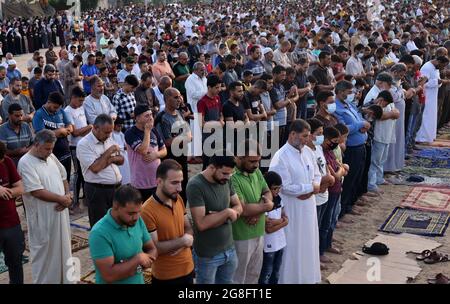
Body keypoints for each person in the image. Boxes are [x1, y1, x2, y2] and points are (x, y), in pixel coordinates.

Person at [269, 119, 322, 284]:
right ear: (293, 134)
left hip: (308, 207)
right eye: (304, 136)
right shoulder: (281, 157)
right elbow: (285, 187)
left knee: (308, 243)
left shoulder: (308, 152)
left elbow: (317, 175)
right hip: (292, 208)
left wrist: (314, 187)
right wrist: (309, 188)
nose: (307, 139)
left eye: (308, 136)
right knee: (292, 245)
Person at [18, 130, 73, 284]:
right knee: (45, 255)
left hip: (60, 214)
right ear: (36, 145)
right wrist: (61, 199)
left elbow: (63, 176)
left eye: (51, 148)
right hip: (42, 218)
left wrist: (67, 196)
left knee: (64, 248)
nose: (50, 152)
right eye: (47, 149)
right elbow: (36, 191)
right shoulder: (25, 162)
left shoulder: (50, 156)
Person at [186, 153, 243, 284]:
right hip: (207, 255)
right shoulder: (195, 185)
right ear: (212, 167)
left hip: (229, 249)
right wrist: (227, 213)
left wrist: (218, 216)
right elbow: (201, 223)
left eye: (230, 174)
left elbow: (238, 206)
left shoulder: (226, 180)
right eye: (224, 173)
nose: (228, 178)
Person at [88, 185, 158, 284]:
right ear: (116, 206)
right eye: (131, 213)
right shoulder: (99, 233)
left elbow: (152, 249)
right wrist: (137, 260)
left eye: (139, 212)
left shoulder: (137, 221)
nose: (136, 217)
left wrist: (140, 264)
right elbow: (109, 275)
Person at [141, 159, 195, 284]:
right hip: (166, 275)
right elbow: (154, 248)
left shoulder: (177, 199)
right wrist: (183, 241)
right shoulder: (147, 211)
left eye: (181, 182)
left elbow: (188, 228)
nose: (180, 188)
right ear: (159, 181)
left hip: (188, 268)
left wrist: (179, 243)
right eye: (174, 183)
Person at [231, 140, 274, 284]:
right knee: (238, 278)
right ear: (239, 157)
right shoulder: (232, 177)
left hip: (259, 232)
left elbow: (267, 192)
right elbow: (242, 209)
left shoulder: (256, 172)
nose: (256, 165)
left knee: (253, 276)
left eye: (258, 161)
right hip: (240, 236)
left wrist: (258, 212)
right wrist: (267, 207)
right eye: (252, 161)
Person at [77, 114, 124, 227]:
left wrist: (108, 159)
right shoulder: (84, 144)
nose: (109, 135)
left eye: (110, 132)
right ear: (95, 128)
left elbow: (121, 160)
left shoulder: (108, 137)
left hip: (116, 188)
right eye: (106, 132)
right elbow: (96, 168)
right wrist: (110, 151)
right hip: (98, 190)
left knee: (118, 223)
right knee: (101, 226)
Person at [334, 80, 369, 219]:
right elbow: (343, 129)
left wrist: (361, 124)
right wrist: (360, 124)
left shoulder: (348, 104)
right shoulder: (336, 108)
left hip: (361, 144)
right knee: (348, 180)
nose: (351, 95)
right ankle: (343, 210)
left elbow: (358, 118)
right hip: (351, 148)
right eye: (349, 93)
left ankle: (351, 204)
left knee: (357, 177)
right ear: (340, 92)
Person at [155, 88, 192, 202]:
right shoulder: (162, 118)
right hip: (169, 159)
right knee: (171, 189)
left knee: (183, 187)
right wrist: (184, 137)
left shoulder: (180, 113)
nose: (179, 99)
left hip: (182, 157)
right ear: (166, 99)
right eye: (176, 97)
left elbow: (188, 132)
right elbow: (165, 142)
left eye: (180, 96)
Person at [125, 105, 167, 201]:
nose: (151, 118)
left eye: (151, 115)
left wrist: (156, 155)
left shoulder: (154, 130)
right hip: (140, 183)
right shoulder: (130, 133)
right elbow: (143, 150)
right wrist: (147, 131)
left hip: (156, 180)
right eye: (147, 116)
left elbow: (164, 151)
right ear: (138, 118)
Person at [0, 141, 25, 284]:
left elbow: (21, 189)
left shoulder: (7, 161)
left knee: (15, 262)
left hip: (11, 223)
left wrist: (5, 192)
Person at [64, 87, 92, 210]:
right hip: (75, 146)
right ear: (73, 98)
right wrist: (90, 127)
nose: (81, 103)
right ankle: (75, 201)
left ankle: (86, 197)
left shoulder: (81, 108)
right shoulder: (67, 111)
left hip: (85, 144)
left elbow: (83, 128)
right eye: (80, 100)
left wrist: (86, 129)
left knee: (86, 171)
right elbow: (75, 132)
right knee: (78, 173)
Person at [258, 171, 288, 285]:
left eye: (279, 188)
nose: (277, 191)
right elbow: (268, 228)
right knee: (266, 273)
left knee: (276, 272)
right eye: (274, 188)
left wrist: (279, 222)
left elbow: (285, 217)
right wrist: (282, 222)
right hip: (269, 245)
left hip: (280, 242)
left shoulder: (279, 199)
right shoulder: (264, 202)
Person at [366, 90, 398, 195]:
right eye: (385, 103)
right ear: (381, 100)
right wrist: (390, 114)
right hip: (378, 136)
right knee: (375, 161)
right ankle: (371, 184)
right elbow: (380, 115)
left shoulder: (389, 103)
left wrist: (391, 113)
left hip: (387, 135)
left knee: (382, 160)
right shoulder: (373, 104)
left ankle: (379, 179)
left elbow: (397, 113)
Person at [416, 56, 450, 144]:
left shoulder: (436, 68)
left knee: (431, 116)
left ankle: (428, 137)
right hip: (426, 95)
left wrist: (439, 82)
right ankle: (421, 138)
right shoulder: (427, 67)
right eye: (443, 65)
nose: (443, 68)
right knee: (425, 116)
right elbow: (423, 83)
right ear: (438, 61)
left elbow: (436, 80)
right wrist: (438, 82)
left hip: (433, 95)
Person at [384, 63, 408, 173]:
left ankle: (396, 163)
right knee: (392, 138)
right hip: (391, 114)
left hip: (399, 114)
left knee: (398, 137)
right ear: (395, 72)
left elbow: (401, 92)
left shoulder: (396, 82)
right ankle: (389, 165)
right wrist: (402, 93)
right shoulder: (388, 81)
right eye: (401, 75)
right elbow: (393, 96)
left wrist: (401, 92)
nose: (402, 78)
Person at [197, 75, 224, 169]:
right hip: (208, 138)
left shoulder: (217, 98)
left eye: (220, 87)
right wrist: (218, 124)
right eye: (217, 87)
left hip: (219, 136)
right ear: (209, 87)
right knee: (208, 165)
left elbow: (220, 113)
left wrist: (221, 120)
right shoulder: (202, 102)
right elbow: (201, 123)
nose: (219, 89)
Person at [185, 62, 208, 161]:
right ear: (195, 70)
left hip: (204, 108)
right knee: (195, 132)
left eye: (204, 69)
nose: (204, 71)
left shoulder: (204, 79)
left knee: (201, 132)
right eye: (201, 70)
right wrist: (207, 93)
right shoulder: (190, 79)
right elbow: (193, 94)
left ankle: (200, 153)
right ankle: (194, 155)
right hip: (194, 108)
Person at [111, 118, 131, 186]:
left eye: (121, 126)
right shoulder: (111, 134)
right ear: (114, 125)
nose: (120, 128)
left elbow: (125, 143)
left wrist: (125, 146)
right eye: (118, 126)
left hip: (124, 154)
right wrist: (123, 147)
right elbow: (114, 145)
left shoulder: (121, 134)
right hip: (117, 155)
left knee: (127, 171)